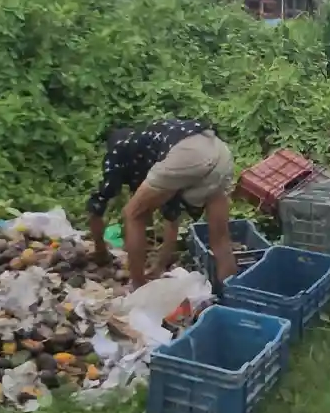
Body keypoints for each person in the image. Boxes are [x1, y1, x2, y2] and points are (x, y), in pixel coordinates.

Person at [87, 119, 237, 290]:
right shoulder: (152, 151)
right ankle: (232, 298)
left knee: (132, 214)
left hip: (189, 151)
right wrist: (160, 265)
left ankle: (137, 287)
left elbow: (97, 206)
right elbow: (172, 217)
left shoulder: (119, 150)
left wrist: (100, 251)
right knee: (220, 240)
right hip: (219, 150)